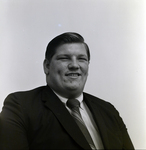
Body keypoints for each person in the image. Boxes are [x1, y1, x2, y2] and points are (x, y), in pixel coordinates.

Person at [0, 32, 134, 149]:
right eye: (65, 58)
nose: (75, 65)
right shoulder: (20, 106)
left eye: (82, 59)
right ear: (47, 66)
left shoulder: (108, 110)